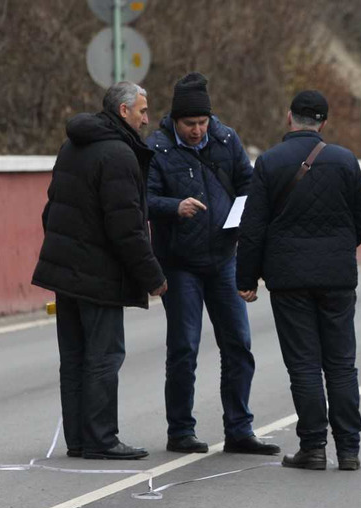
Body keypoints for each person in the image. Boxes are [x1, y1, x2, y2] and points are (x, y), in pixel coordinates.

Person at [236, 90, 361, 471]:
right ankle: (349, 450)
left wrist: (246, 278)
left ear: (289, 118)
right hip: (337, 279)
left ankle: (313, 448)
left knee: (304, 365)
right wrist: (340, 248)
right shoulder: (345, 161)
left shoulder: (268, 162)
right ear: (324, 123)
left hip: (289, 280)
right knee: (341, 365)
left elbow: (252, 228)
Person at [32, 81, 167, 460]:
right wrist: (153, 276)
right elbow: (126, 228)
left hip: (65, 271)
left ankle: (78, 439)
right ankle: (102, 439)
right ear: (123, 112)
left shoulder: (73, 145)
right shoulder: (119, 155)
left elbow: (51, 209)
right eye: (142, 110)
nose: (146, 118)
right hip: (99, 275)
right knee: (104, 357)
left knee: (74, 357)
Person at [145, 73, 278, 456]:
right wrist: (175, 207)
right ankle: (180, 430)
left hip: (224, 259)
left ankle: (239, 429)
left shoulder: (225, 138)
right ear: (175, 120)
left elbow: (249, 185)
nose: (196, 130)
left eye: (202, 123)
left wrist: (243, 217)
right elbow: (143, 199)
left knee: (239, 343)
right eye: (190, 124)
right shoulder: (156, 148)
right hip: (179, 263)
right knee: (184, 347)